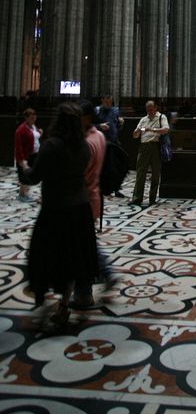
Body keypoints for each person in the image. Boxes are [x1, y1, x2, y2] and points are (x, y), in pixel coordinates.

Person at [20, 102, 98, 327]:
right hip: (80, 210)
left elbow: (34, 177)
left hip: (56, 210)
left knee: (43, 256)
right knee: (73, 259)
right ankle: (64, 304)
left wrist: (24, 166)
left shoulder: (52, 145)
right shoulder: (83, 146)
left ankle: (42, 302)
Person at [71, 101, 117, 309]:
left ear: (86, 118)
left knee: (81, 247)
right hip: (93, 197)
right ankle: (90, 287)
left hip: (82, 199)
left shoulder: (87, 142)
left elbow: (78, 173)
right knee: (84, 244)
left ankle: (86, 290)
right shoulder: (99, 135)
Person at [131, 100, 169, 205]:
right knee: (140, 173)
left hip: (155, 146)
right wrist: (137, 131)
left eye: (151, 109)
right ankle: (137, 198)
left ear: (155, 108)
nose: (149, 112)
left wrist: (152, 129)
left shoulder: (161, 117)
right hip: (144, 147)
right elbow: (135, 136)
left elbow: (166, 130)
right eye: (148, 110)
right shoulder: (143, 119)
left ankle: (152, 198)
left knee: (155, 173)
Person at [96, 94, 125, 197]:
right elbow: (91, 125)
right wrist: (99, 126)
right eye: (106, 102)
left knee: (118, 165)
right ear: (102, 100)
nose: (108, 104)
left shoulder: (115, 110)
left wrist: (121, 123)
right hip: (101, 142)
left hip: (114, 141)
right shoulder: (97, 111)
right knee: (103, 166)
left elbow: (117, 126)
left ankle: (116, 188)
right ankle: (101, 187)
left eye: (110, 102)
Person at [14, 108, 42, 202]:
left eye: (35, 118)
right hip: (26, 155)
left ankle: (25, 193)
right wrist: (21, 160)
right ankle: (22, 194)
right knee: (24, 175)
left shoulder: (33, 126)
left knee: (31, 175)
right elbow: (18, 147)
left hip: (35, 153)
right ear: (26, 118)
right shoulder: (20, 130)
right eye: (31, 118)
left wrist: (40, 132)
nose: (34, 120)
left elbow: (36, 135)